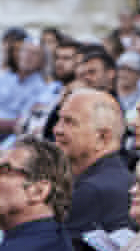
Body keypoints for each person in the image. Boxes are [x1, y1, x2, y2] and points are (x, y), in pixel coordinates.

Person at [53, 88, 133, 238]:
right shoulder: (115, 177)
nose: (57, 129)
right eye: (59, 119)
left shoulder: (94, 191)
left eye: (70, 122)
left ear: (102, 137)